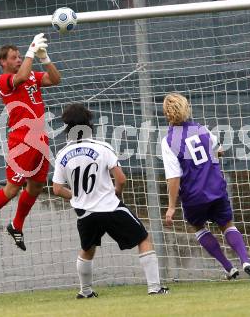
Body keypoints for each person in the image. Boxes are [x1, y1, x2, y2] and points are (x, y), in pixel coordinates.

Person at [52, 103, 168, 298]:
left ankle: (85, 291)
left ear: (67, 128)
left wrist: (77, 196)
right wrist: (116, 192)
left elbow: (56, 189)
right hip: (110, 207)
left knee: (87, 249)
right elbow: (121, 179)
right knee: (143, 238)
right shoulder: (103, 148)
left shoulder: (62, 154)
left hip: (85, 213)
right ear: (89, 124)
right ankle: (155, 288)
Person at [161, 93, 250, 282]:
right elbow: (219, 150)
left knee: (198, 227)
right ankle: (245, 260)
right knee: (227, 224)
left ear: (166, 114)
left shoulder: (168, 141)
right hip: (216, 187)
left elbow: (174, 177)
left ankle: (228, 268)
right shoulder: (202, 130)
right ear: (186, 108)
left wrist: (171, 206)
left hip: (193, 194)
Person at [0, 33, 61, 251]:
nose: (18, 59)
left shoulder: (31, 74)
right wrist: (32, 51)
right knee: (13, 188)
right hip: (21, 140)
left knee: (36, 185)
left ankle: (16, 225)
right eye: (14, 57)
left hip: (40, 138)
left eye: (19, 56)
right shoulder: (4, 81)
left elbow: (55, 79)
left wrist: (44, 57)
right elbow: (21, 77)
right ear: (3, 62)